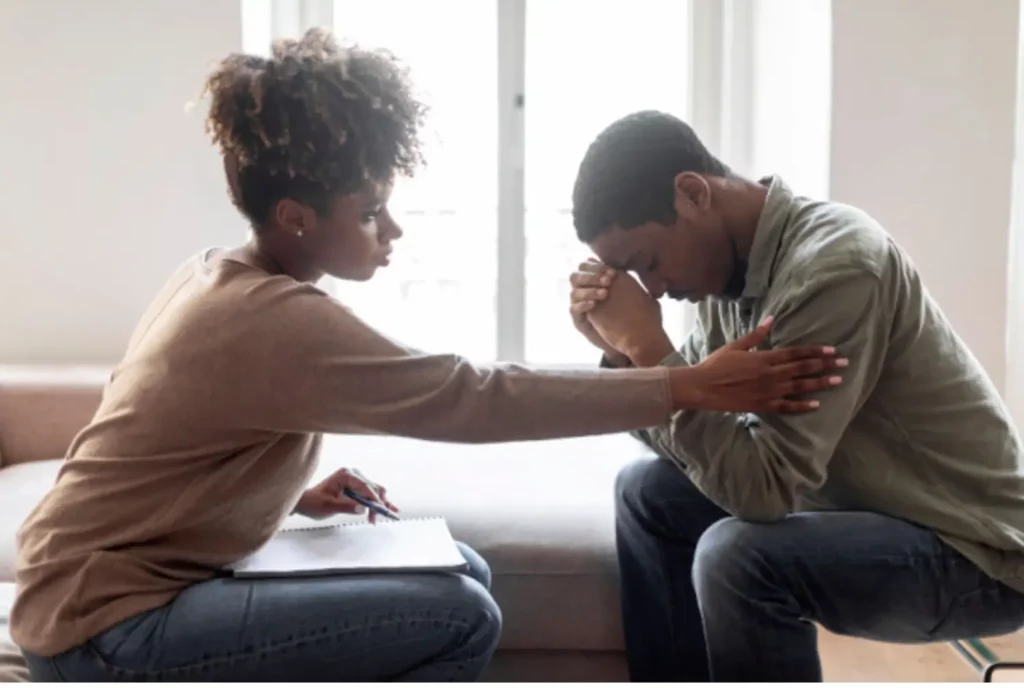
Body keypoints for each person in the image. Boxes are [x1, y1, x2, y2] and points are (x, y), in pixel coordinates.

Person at [10, 32, 844, 683]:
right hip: (102, 629)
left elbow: (157, 443)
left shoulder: (217, 275)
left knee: (465, 572)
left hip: (97, 592)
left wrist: (286, 495)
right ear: (297, 217)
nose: (393, 229)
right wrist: (683, 385)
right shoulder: (268, 319)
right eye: (370, 210)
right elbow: (470, 397)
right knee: (460, 615)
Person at [566, 109, 1024, 682]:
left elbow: (764, 490)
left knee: (738, 557)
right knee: (647, 492)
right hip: (850, 505)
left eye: (650, 264)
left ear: (692, 193)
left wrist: (649, 348)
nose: (654, 290)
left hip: (971, 548)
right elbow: (688, 436)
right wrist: (624, 356)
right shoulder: (726, 274)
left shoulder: (835, 269)